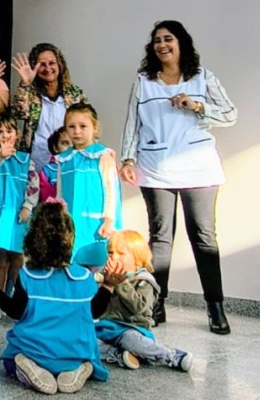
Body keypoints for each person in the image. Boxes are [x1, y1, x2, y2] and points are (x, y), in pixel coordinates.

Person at [120, 20, 237, 334]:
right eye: (157, 40)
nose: (162, 45)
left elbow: (230, 114)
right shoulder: (144, 82)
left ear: (181, 43)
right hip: (156, 166)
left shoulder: (202, 78)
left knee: (204, 237)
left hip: (199, 167)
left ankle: (215, 307)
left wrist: (197, 105)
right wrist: (127, 158)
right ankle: (157, 303)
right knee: (160, 239)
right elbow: (133, 123)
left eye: (168, 39)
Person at [0, 203, 109, 395]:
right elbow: (95, 311)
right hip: (75, 353)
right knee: (85, 358)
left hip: (33, 351)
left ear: (33, 240)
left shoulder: (28, 276)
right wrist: (109, 286)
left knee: (11, 361)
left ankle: (30, 368)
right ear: (69, 239)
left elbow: (15, 311)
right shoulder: (84, 278)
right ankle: (79, 368)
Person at [95, 231, 194, 372]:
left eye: (121, 254)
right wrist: (105, 284)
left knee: (131, 340)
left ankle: (171, 356)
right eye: (110, 253)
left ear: (137, 259)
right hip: (106, 328)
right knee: (84, 338)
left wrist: (121, 283)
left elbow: (139, 307)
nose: (114, 257)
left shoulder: (144, 280)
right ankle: (118, 354)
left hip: (132, 329)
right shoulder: (105, 276)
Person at [54, 103, 122, 268]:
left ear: (95, 128)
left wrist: (108, 219)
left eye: (83, 126)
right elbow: (60, 192)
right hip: (72, 221)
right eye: (71, 126)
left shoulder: (102, 155)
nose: (77, 131)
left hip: (97, 222)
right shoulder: (64, 158)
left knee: (99, 264)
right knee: (73, 264)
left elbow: (111, 189)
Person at [10, 43, 88, 170]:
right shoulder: (30, 93)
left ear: (59, 65)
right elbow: (18, 113)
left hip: (69, 161)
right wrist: (25, 84)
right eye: (42, 64)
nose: (47, 68)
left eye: (52, 63)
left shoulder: (74, 94)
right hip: (35, 162)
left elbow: (86, 122)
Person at [0, 112, 39, 299]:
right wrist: (1, 155)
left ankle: (14, 296)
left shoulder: (26, 160)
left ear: (16, 134)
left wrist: (28, 206)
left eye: (9, 130)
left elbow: (33, 186)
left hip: (19, 217)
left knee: (17, 259)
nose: (5, 135)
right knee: (0, 260)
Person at [38, 127, 71, 202]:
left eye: (74, 144)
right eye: (65, 143)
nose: (70, 148)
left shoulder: (82, 168)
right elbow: (46, 197)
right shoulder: (47, 170)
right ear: (55, 147)